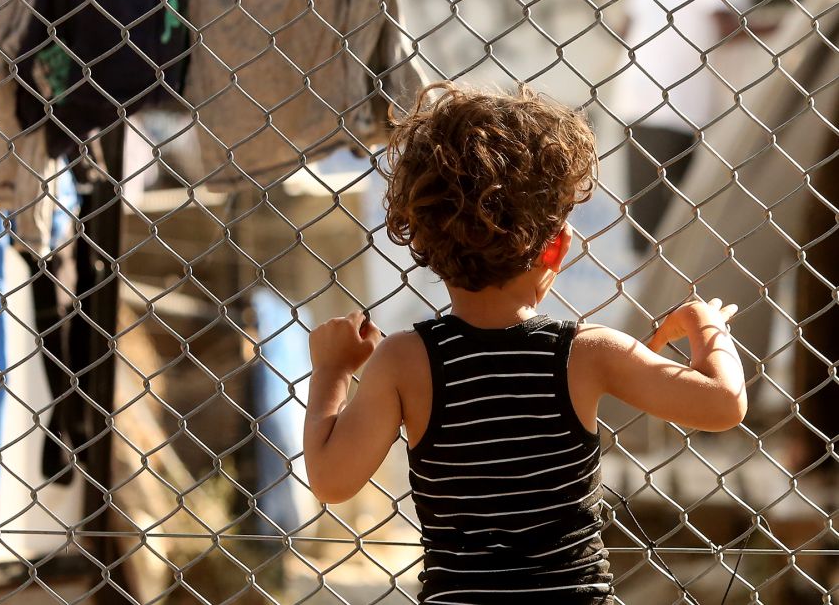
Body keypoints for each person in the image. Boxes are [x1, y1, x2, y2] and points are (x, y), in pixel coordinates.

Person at [303, 82, 746, 604]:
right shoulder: (586, 352)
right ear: (557, 246)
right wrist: (704, 322)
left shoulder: (404, 361)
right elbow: (723, 405)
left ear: (421, 239)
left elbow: (331, 481)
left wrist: (332, 370)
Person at [617, 0, 771, 250]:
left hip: (646, 98)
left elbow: (623, 25)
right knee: (667, 232)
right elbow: (729, 25)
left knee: (654, 229)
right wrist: (792, 26)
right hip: (673, 103)